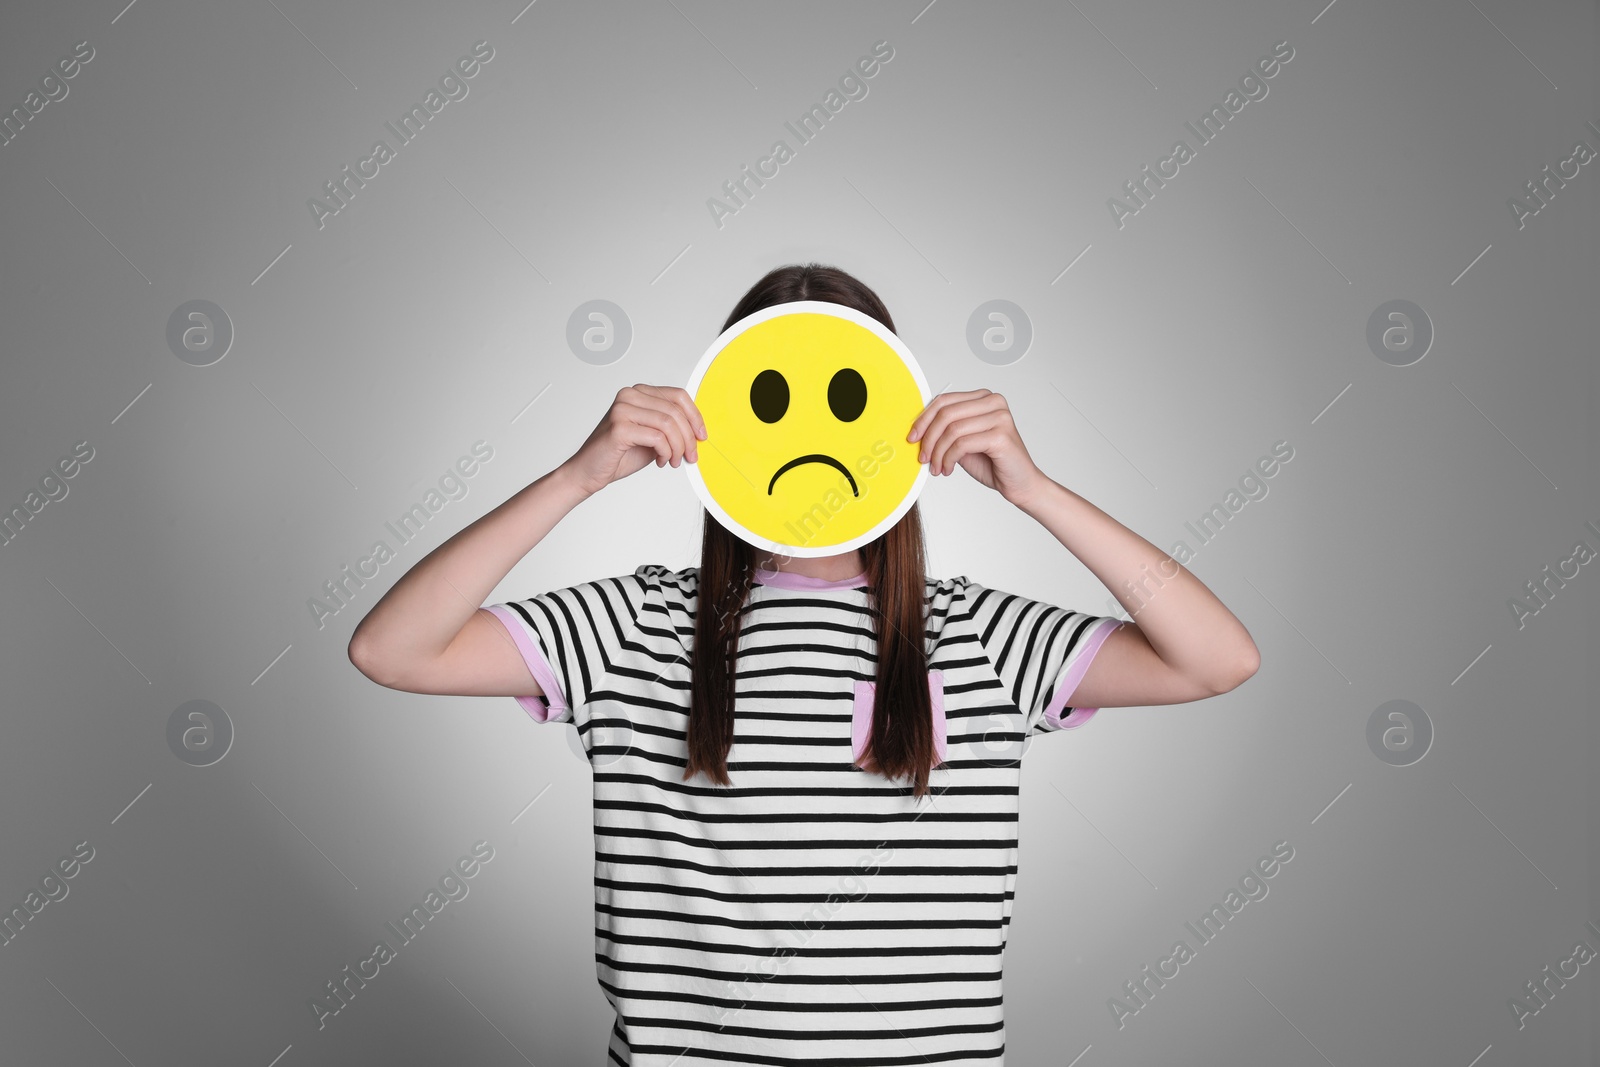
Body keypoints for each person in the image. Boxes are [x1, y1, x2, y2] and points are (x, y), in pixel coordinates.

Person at [348, 262, 1259, 1065]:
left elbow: (1218, 658)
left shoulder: (978, 634)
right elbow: (391, 649)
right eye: (771, 403)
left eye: (849, 400)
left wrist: (1037, 490)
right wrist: (574, 478)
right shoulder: (638, 624)